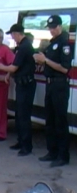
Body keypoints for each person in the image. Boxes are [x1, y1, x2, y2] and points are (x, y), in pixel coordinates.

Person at [34, 15, 71, 167]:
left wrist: (46, 60)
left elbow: (64, 68)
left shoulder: (65, 43)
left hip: (60, 85)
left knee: (60, 121)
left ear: (60, 26)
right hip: (50, 84)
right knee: (49, 120)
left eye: (54, 27)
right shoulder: (52, 43)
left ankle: (63, 156)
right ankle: (52, 151)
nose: (51, 30)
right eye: (50, 27)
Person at [0, 24, 36, 156]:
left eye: (12, 35)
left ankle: (26, 146)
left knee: (24, 116)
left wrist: (1, 67)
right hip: (22, 84)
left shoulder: (24, 46)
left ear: (17, 33)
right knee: (19, 115)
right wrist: (8, 74)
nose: (12, 37)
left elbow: (13, 68)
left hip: (26, 84)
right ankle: (21, 141)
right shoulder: (22, 46)